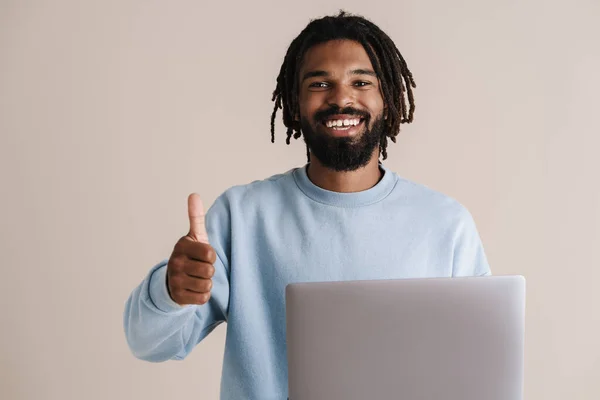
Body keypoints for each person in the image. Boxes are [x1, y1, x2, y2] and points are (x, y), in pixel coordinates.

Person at [123, 10, 491, 400]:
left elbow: (483, 368)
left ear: (386, 98)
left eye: (361, 81)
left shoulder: (445, 224)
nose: (341, 97)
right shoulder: (242, 216)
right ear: (295, 104)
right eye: (320, 83)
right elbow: (150, 343)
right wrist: (170, 292)